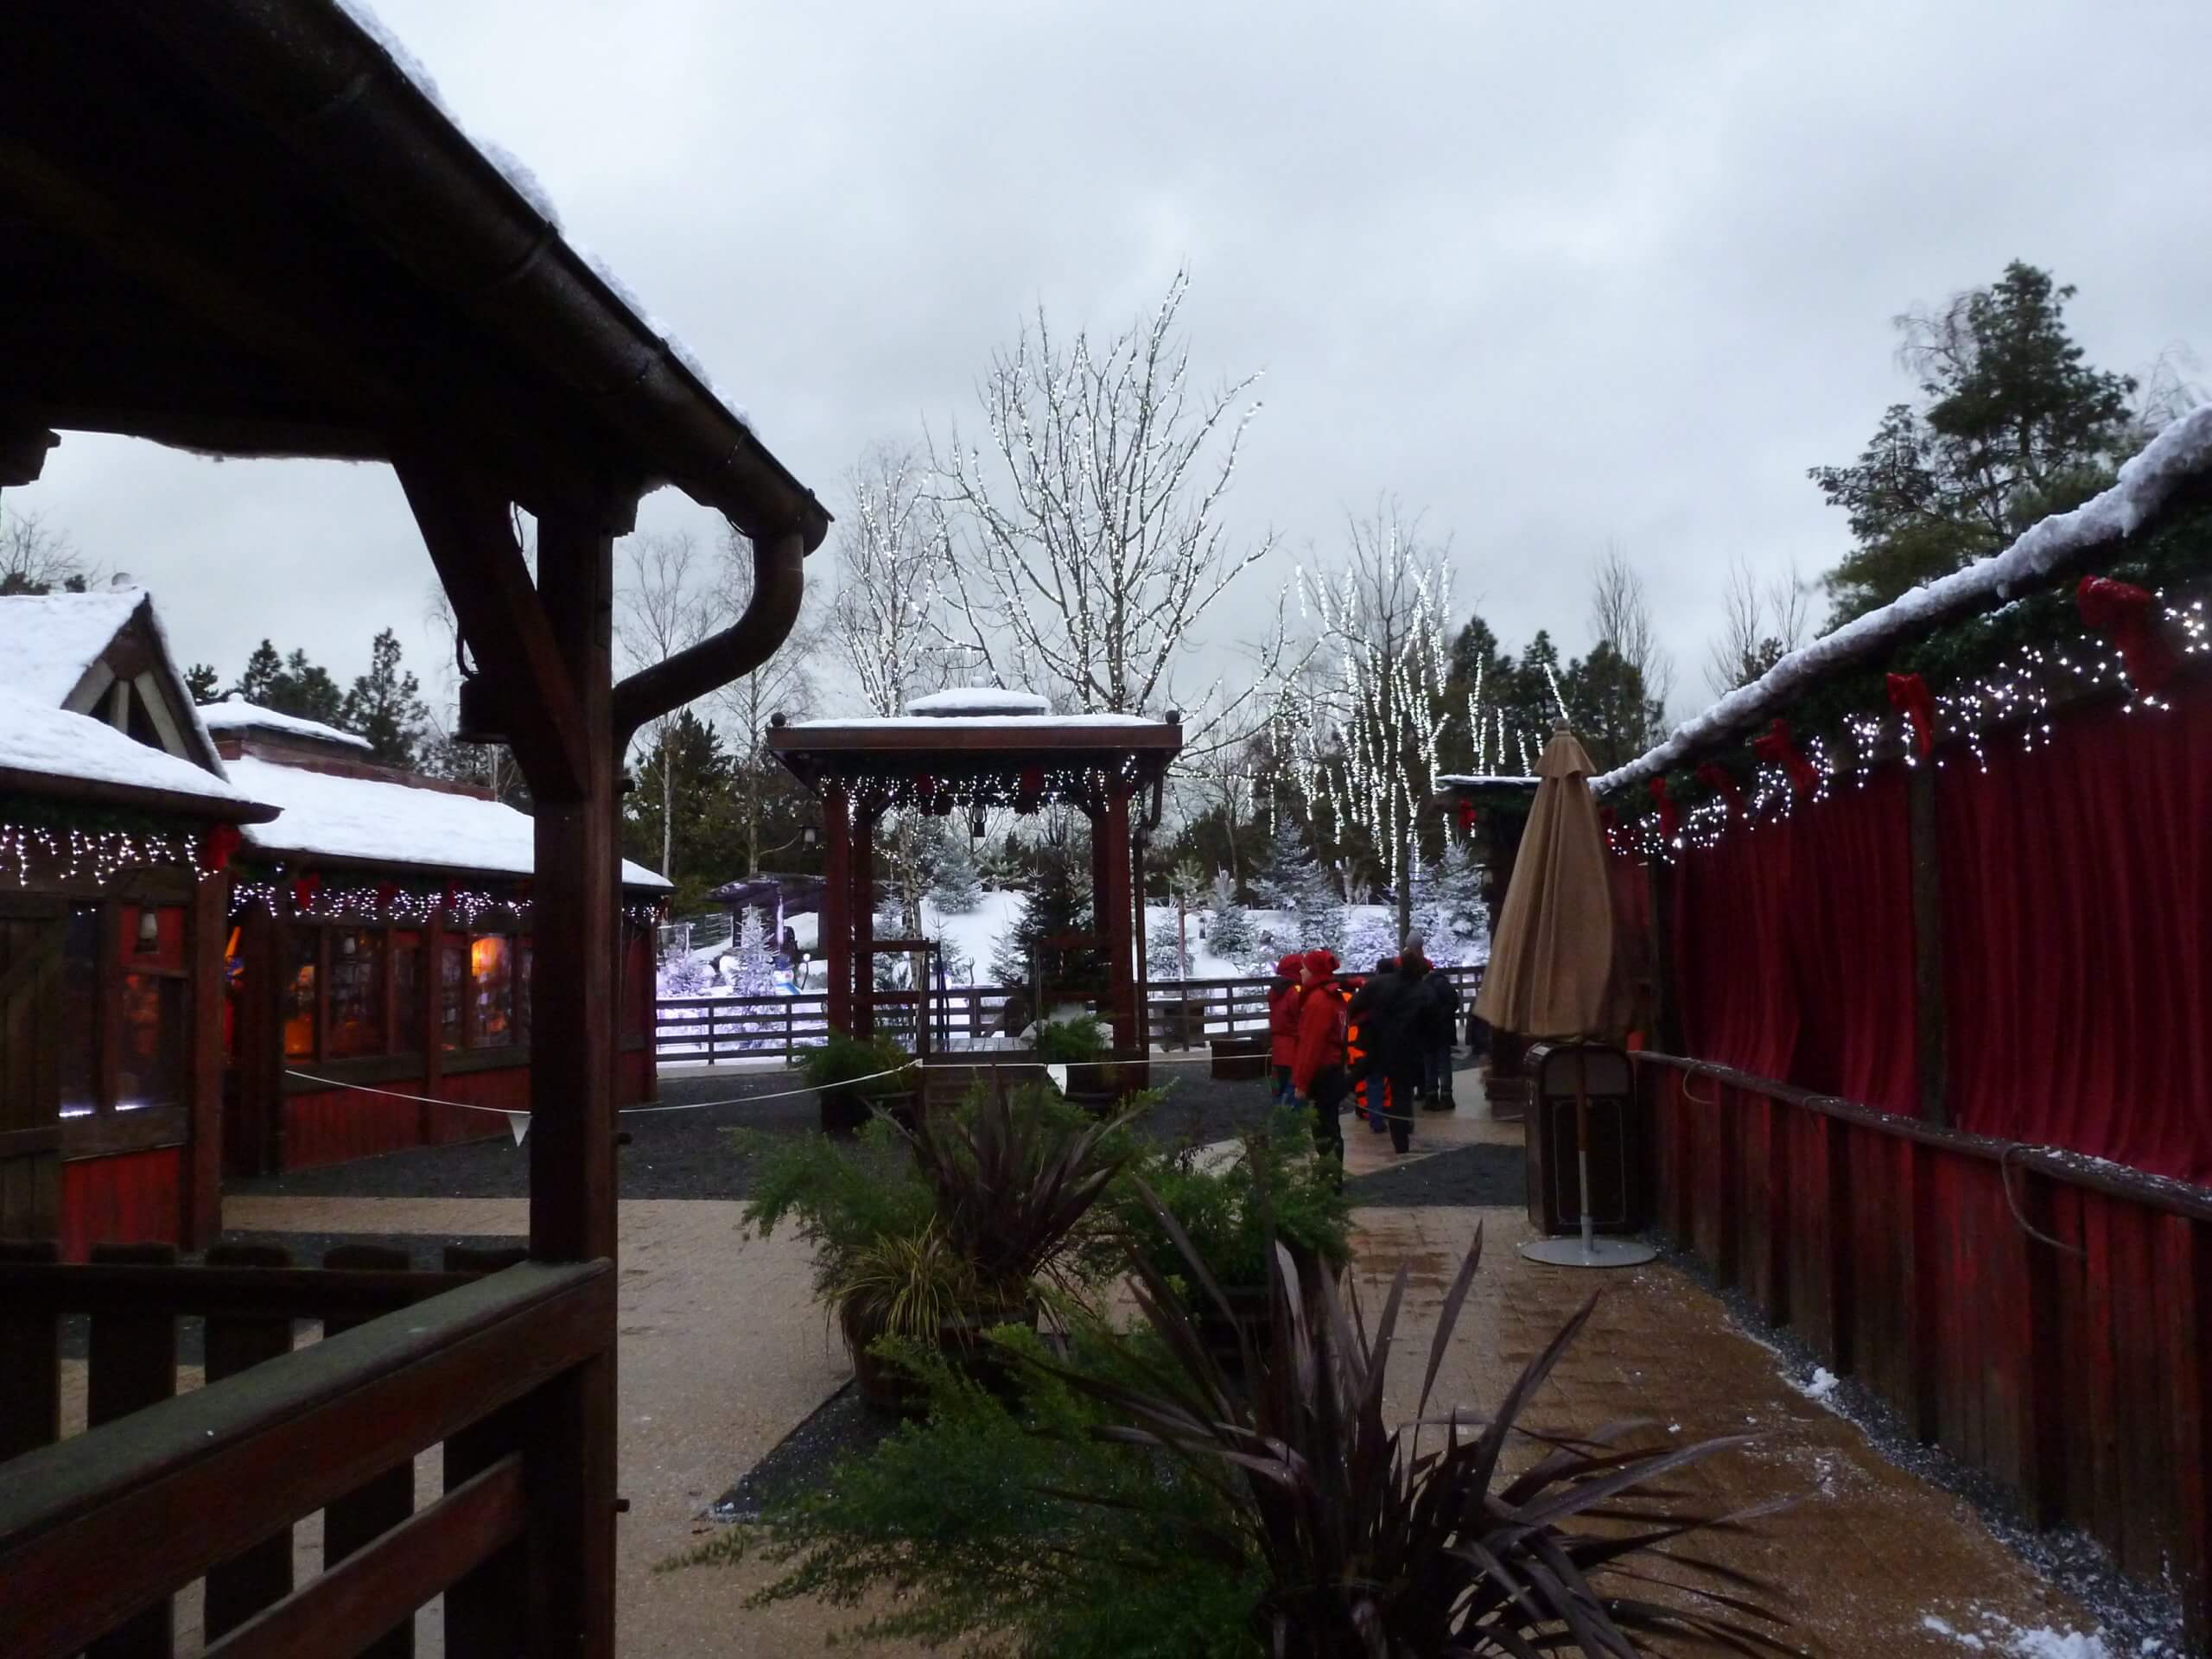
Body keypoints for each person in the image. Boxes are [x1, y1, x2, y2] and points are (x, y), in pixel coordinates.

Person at [1288, 949, 1347, 1167]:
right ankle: (1332, 1173)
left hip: (1322, 1072)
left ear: (1314, 972)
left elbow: (1311, 1045)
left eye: (1305, 968)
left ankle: (1329, 1175)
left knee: (1323, 1130)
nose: (1301, 972)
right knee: (1331, 1125)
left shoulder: (1318, 1001)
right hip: (1334, 1068)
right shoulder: (1334, 997)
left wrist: (1301, 1082)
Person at [1422, 957, 1462, 1111]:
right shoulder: (1441, 982)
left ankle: (1434, 1095)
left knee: (1432, 1064)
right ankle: (1445, 1096)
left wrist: (1435, 1017)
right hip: (1440, 1031)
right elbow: (1453, 1002)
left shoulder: (1425, 984)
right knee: (1441, 1064)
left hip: (1431, 1031)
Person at [1267, 952, 1305, 1104]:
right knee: (1294, 1091)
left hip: (1279, 1049)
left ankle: (1279, 1116)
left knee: (1279, 1089)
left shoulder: (1276, 990)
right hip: (1294, 1048)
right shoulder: (1295, 992)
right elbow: (1302, 1017)